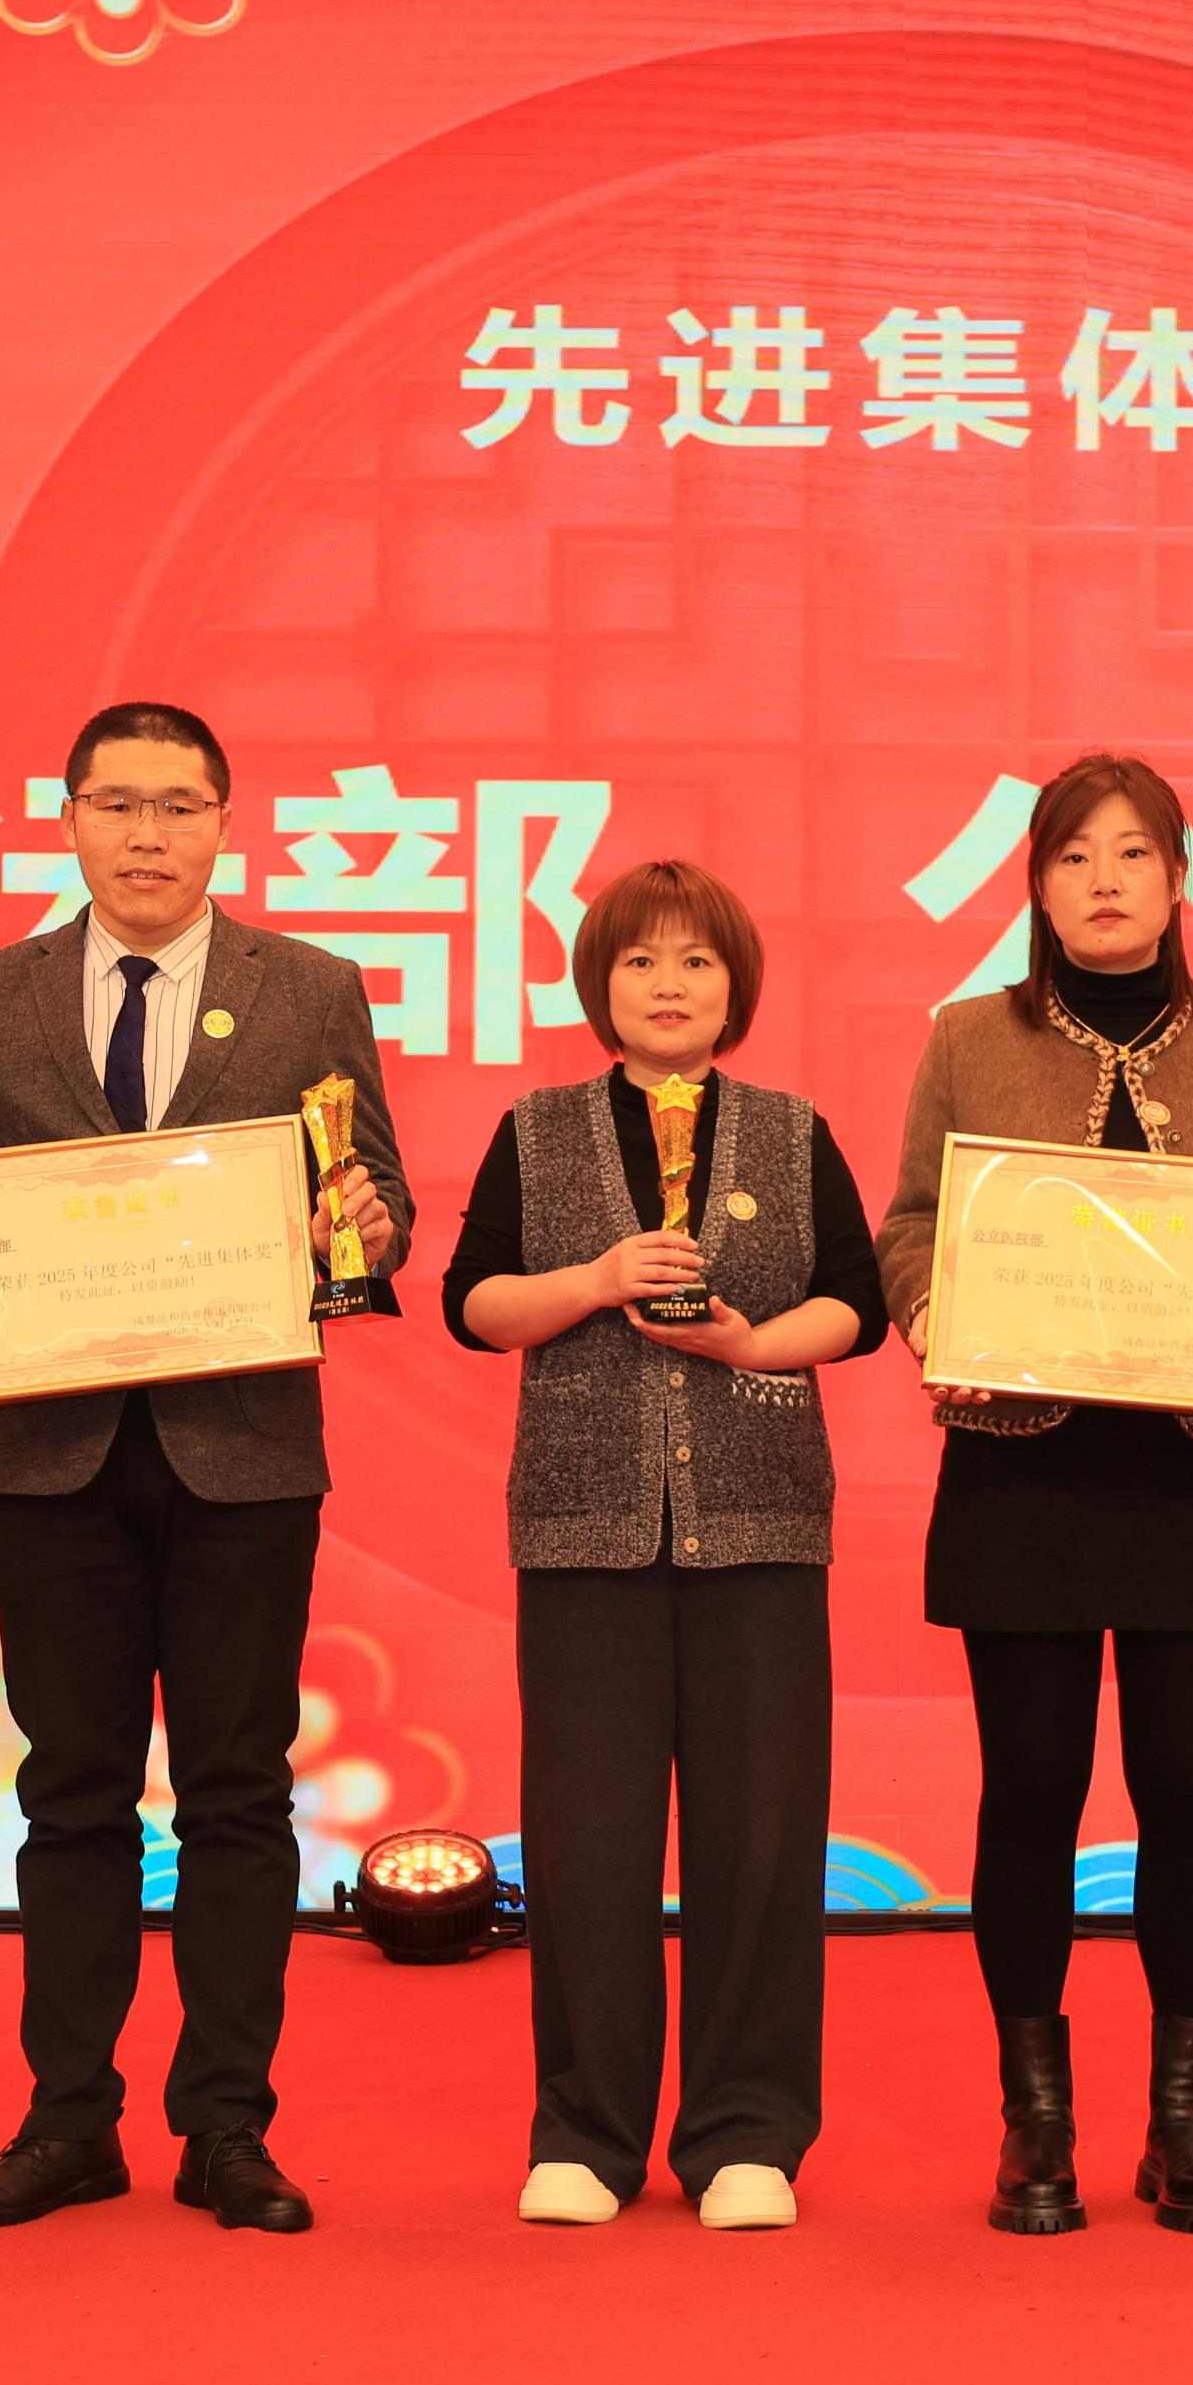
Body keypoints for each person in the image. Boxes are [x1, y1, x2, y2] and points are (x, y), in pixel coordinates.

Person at [0, 700, 410, 2235]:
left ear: (225, 823)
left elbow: (373, 1198)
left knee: (240, 1796)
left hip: (245, 1457)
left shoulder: (310, 991)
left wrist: (364, 1235)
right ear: (71, 820)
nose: (148, 835)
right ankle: (68, 2120)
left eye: (179, 806)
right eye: (118, 805)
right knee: (72, 1796)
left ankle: (228, 2128)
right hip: (57, 1460)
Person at [876, 753, 1193, 2240]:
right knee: (1031, 1791)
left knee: (1191, 1795)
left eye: (1134, 854)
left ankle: (1184, 2118)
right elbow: (912, 1223)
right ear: (1035, 884)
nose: (1105, 882)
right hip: (1024, 1463)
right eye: (1074, 857)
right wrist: (933, 1311)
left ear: (1181, 880)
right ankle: (1037, 2120)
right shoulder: (969, 1038)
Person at [442, 860, 890, 2234]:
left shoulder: (793, 1130)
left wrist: (752, 1343)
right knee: (588, 1842)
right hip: (583, 1528)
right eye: (640, 961)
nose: (670, 984)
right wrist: (591, 1282)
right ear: (601, 985)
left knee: (764, 1839)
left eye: (697, 960)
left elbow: (859, 1305)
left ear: (736, 985)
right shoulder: (536, 1130)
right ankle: (585, 2135)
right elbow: (473, 1304)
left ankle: (749, 2135)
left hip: (761, 1520)